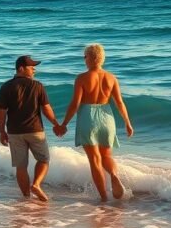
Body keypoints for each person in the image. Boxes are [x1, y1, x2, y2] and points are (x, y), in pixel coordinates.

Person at [57, 43, 134, 202]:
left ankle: (104, 198)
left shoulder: (82, 78)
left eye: (85, 56)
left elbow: (75, 104)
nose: (84, 60)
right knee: (106, 156)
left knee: (95, 160)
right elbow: (120, 102)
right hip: (107, 116)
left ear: (91, 58)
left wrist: (64, 124)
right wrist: (127, 122)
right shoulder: (112, 78)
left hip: (88, 116)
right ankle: (113, 175)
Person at [0, 55, 62, 202]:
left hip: (14, 132)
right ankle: (36, 184)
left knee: (21, 166)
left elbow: (1, 112)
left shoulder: (6, 86)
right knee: (44, 159)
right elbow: (46, 109)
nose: (34, 70)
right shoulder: (37, 86)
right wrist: (56, 124)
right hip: (35, 130)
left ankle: (26, 198)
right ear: (21, 68)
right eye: (31, 68)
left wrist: (2, 132)